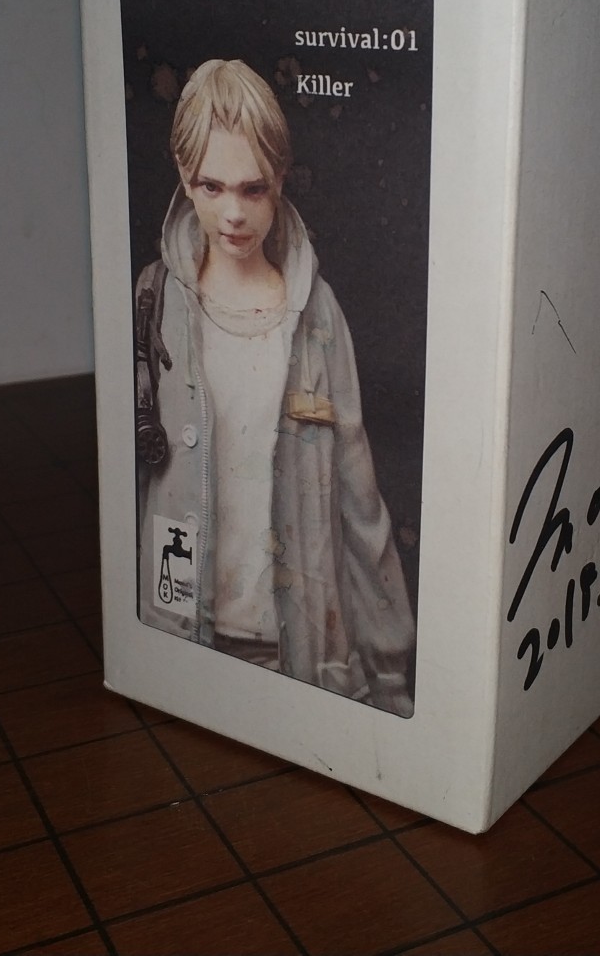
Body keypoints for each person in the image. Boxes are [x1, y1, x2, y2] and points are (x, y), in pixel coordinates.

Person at [133, 58, 415, 716]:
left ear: (280, 179)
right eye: (211, 186)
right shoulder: (153, 302)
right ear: (184, 176)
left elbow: (360, 505)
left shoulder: (317, 316)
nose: (232, 213)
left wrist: (390, 677)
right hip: (178, 637)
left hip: (303, 656)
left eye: (253, 189)